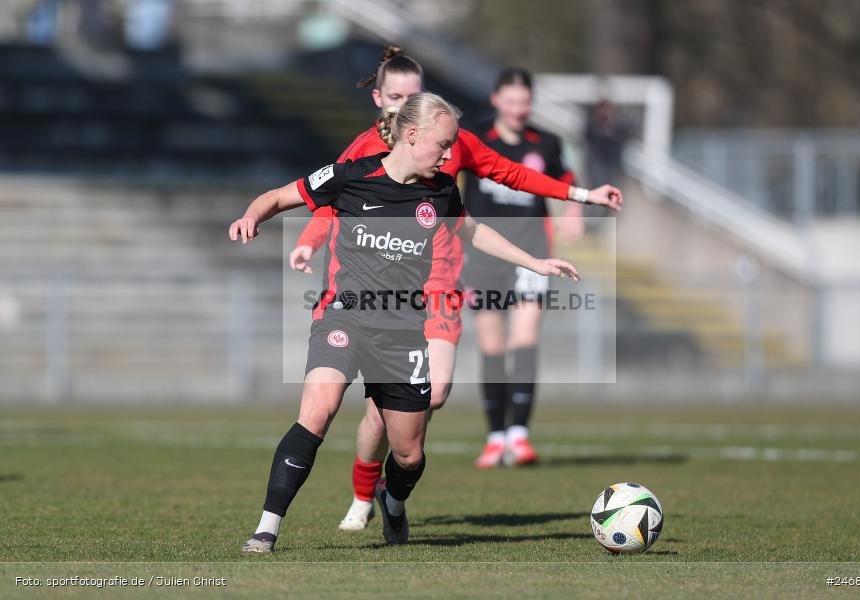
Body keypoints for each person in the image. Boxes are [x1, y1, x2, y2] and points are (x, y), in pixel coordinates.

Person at [288, 46, 624, 530]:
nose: (404, 102)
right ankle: (365, 493)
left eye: (415, 94)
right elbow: (326, 202)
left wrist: (581, 194)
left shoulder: (452, 139)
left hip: (439, 279)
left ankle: (393, 483)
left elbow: (510, 172)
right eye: (396, 95)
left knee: (436, 393)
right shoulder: (362, 150)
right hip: (382, 292)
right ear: (379, 97)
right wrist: (307, 243)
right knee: (380, 417)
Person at [230, 92, 582, 552]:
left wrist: (534, 263)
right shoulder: (350, 175)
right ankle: (267, 529)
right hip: (344, 317)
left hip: (403, 335)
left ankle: (392, 504)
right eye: (443, 144)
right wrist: (251, 216)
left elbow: (474, 230)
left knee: (409, 454)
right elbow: (279, 196)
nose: (449, 153)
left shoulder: (438, 191)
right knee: (317, 412)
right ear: (412, 136)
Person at [463, 68, 583, 468]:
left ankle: (520, 436)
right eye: (511, 101)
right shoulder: (476, 140)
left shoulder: (544, 143)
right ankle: (495, 436)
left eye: (525, 102)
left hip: (532, 253)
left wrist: (574, 211)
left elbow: (566, 180)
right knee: (492, 345)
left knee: (525, 340)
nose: (518, 109)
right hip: (483, 255)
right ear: (496, 100)